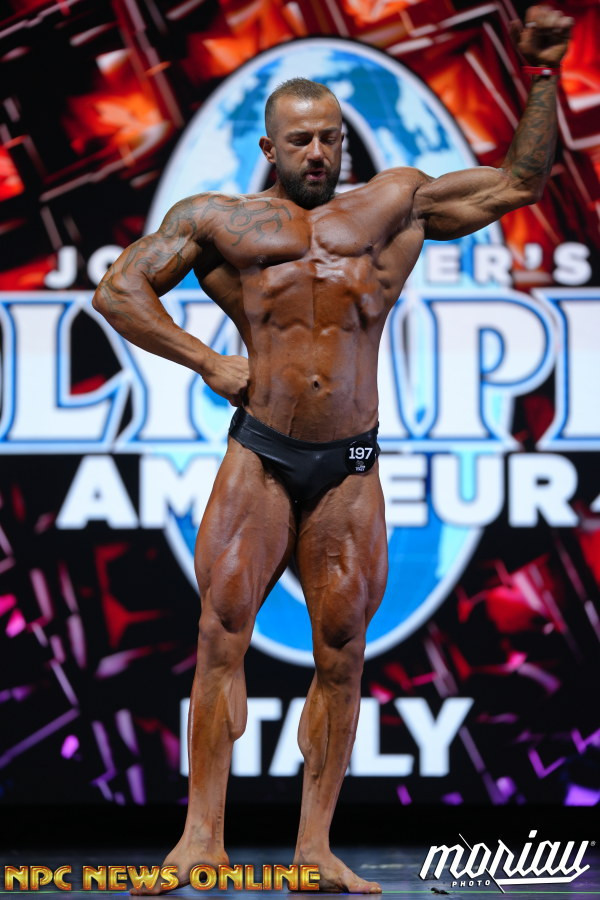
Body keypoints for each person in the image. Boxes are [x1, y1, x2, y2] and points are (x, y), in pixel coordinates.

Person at [93, 5, 572, 893]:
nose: (319, 153)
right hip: (260, 457)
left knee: (342, 654)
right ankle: (201, 842)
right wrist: (208, 361)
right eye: (301, 141)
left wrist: (541, 76)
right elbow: (119, 291)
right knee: (220, 638)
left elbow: (518, 184)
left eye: (330, 138)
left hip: (349, 468)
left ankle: (313, 849)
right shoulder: (221, 221)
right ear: (270, 148)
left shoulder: (394, 205)